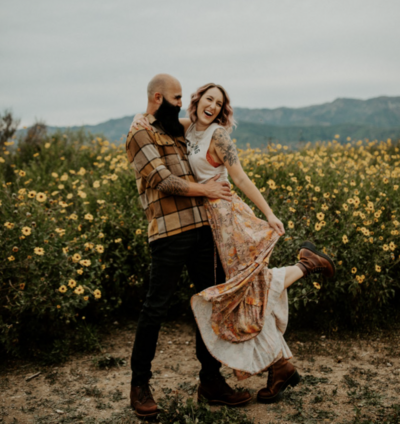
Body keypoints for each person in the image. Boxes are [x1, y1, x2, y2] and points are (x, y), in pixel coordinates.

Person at [132, 81, 335, 405]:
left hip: (226, 220)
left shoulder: (218, 136)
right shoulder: (188, 128)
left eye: (219, 102)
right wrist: (139, 118)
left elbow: (239, 177)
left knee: (247, 285)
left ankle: (305, 265)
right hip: (205, 222)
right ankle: (279, 364)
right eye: (207, 99)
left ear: (222, 110)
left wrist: (268, 213)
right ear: (196, 102)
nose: (211, 105)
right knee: (240, 293)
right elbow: (158, 121)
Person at [126, 74, 253, 419]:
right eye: (176, 97)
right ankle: (139, 385)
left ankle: (210, 382)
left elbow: (195, 125)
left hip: (201, 229)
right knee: (156, 307)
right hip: (168, 232)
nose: (182, 102)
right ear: (157, 97)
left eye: (183, 97)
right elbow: (161, 180)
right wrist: (208, 191)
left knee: (210, 304)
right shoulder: (140, 133)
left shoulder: (172, 128)